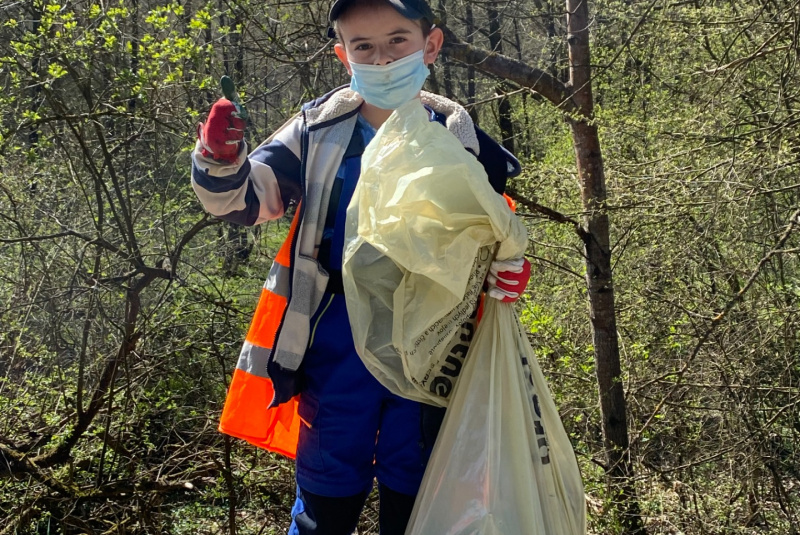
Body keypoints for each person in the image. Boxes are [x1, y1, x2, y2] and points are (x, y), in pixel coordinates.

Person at [191, 0, 532, 533]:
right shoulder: (317, 131)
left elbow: (491, 236)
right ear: (343, 56)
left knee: (418, 492)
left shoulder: (462, 142)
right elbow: (243, 201)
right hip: (334, 341)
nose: (383, 59)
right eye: (364, 47)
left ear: (430, 45)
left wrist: (506, 272)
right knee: (325, 497)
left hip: (431, 344)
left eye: (397, 41)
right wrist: (219, 159)